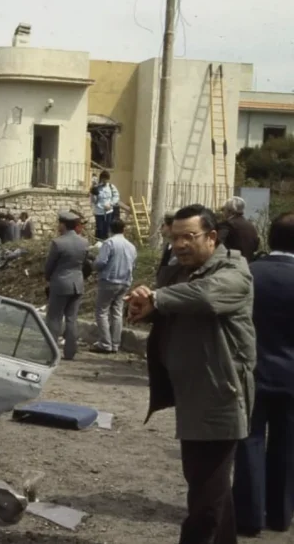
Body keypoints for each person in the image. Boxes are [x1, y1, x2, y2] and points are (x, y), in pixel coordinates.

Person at [126, 204, 255, 544]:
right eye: (174, 238)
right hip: (190, 394)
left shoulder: (234, 271)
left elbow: (208, 297)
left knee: (205, 496)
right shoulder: (177, 274)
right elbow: (167, 309)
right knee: (208, 486)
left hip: (220, 394)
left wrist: (157, 297)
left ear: (212, 237)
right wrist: (144, 302)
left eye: (189, 237)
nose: (180, 245)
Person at [232, 211, 294, 537]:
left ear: (269, 238)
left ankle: (249, 516)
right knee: (287, 444)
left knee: (249, 442)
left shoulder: (247, 273)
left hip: (251, 371)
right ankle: (281, 514)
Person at [44, 211, 88, 361]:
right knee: (72, 318)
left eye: (59, 223)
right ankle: (70, 352)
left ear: (63, 224)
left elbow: (50, 265)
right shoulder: (84, 242)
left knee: (54, 318)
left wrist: (47, 278)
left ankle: (51, 351)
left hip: (61, 282)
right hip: (78, 282)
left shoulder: (58, 242)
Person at [91, 219, 137, 353]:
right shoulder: (131, 246)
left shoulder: (109, 243)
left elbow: (100, 262)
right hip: (125, 282)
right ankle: (115, 344)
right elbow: (133, 265)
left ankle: (105, 343)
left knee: (102, 311)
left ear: (110, 229)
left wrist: (93, 264)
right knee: (117, 312)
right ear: (124, 229)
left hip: (109, 280)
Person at [218, 196, 260, 262]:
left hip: (231, 265)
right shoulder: (251, 226)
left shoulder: (227, 225)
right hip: (248, 264)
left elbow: (218, 244)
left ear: (230, 211)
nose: (222, 212)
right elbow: (255, 247)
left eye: (223, 209)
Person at [90, 170, 120, 240]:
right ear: (101, 178)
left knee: (107, 229)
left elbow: (116, 196)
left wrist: (110, 204)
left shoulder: (111, 187)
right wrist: (94, 193)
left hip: (108, 211)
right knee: (99, 229)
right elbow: (94, 201)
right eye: (103, 179)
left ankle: (106, 242)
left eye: (106, 179)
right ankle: (98, 243)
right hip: (99, 211)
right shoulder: (97, 188)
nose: (104, 181)